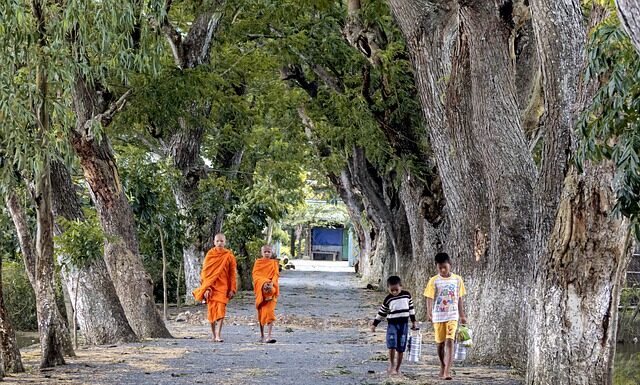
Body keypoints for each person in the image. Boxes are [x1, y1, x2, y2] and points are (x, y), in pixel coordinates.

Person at [424, 252, 467, 380]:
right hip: (438, 316)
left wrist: (462, 315)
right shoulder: (434, 280)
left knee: (450, 341)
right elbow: (429, 297)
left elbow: (459, 298)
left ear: (450, 265)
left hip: (452, 315)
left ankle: (447, 371)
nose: (442, 270)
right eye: (440, 268)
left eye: (445, 267)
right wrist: (429, 312)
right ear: (436, 267)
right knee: (440, 344)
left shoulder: (457, 279)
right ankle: (442, 365)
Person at [192, 233, 237, 342]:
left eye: (221, 241)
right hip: (211, 287)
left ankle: (218, 335)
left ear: (225, 242)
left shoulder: (229, 255)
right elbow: (205, 272)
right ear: (214, 242)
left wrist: (232, 289)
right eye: (217, 241)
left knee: (221, 310)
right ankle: (213, 334)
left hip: (223, 286)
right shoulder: (210, 254)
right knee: (211, 311)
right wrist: (206, 288)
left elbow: (232, 274)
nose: (219, 243)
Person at [371, 276, 417, 376]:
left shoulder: (407, 296)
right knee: (392, 345)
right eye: (392, 290)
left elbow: (411, 310)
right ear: (388, 289)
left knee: (401, 347)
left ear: (401, 286)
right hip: (392, 325)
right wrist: (375, 324)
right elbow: (382, 312)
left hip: (404, 325)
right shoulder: (388, 299)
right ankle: (391, 365)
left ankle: (397, 368)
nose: (395, 292)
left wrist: (414, 322)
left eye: (397, 289)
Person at [252, 245, 280, 343]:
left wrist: (271, 283)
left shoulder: (274, 263)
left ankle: (269, 335)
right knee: (261, 313)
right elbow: (255, 276)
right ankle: (262, 335)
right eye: (265, 252)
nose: (267, 253)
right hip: (261, 290)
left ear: (271, 253)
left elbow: (276, 275)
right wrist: (264, 283)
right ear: (262, 253)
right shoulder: (258, 263)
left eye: (269, 252)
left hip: (271, 290)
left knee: (270, 312)